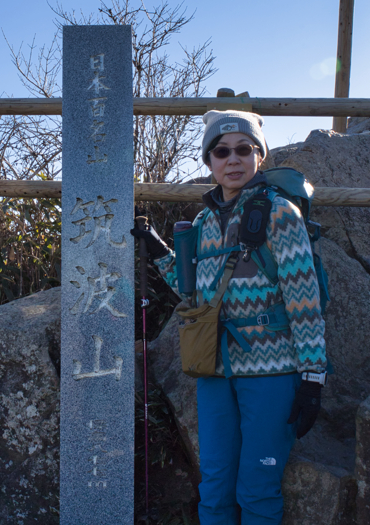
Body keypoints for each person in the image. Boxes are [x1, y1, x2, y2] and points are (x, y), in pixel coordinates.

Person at [132, 110, 327, 525]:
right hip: (215, 370)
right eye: (221, 151)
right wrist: (158, 250)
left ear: (260, 156)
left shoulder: (280, 214)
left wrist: (312, 378)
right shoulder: (203, 221)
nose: (232, 159)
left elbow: (303, 299)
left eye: (244, 149)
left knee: (257, 488)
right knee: (216, 486)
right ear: (209, 161)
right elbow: (195, 293)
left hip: (273, 373)